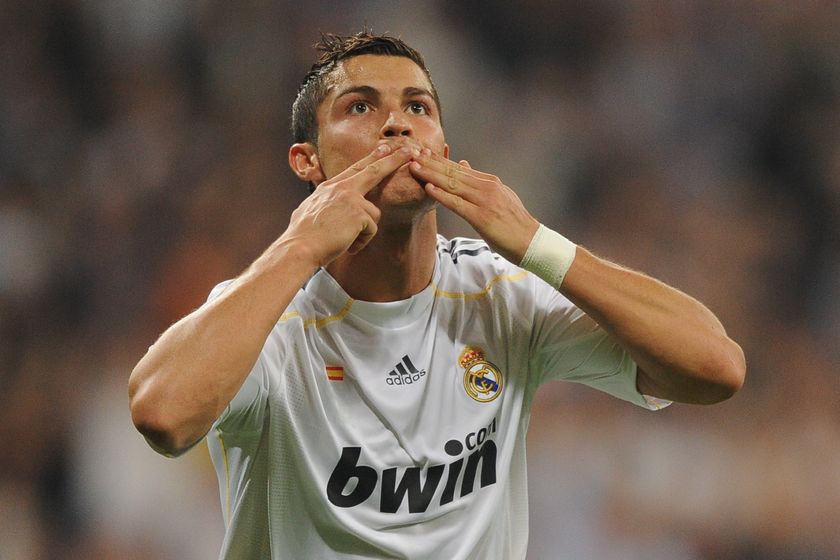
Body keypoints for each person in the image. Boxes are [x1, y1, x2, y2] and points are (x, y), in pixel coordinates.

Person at [128, 31, 746, 559]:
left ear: (444, 152)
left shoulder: (502, 293)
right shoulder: (269, 315)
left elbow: (715, 368)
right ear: (306, 162)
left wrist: (537, 243)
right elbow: (162, 415)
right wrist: (300, 246)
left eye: (417, 107)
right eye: (360, 107)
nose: (397, 122)